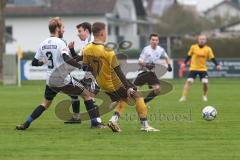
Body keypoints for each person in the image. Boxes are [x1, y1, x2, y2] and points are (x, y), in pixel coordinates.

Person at [16, 17, 104, 130]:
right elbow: (66, 57)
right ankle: (95, 123)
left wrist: (43, 61)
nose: (64, 30)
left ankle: (26, 123)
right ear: (57, 28)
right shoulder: (61, 42)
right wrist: (80, 66)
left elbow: (34, 62)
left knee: (45, 104)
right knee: (87, 94)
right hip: (62, 78)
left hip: (50, 80)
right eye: (62, 28)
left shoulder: (43, 43)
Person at [83, 22, 160, 132]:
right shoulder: (108, 51)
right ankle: (145, 126)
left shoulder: (86, 49)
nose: (106, 34)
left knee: (124, 99)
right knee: (138, 96)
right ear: (101, 33)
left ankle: (114, 120)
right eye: (106, 32)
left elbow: (85, 68)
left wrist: (92, 82)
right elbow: (118, 71)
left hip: (101, 83)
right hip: (114, 82)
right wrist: (128, 86)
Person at [64, 22, 103, 125]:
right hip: (88, 75)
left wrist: (70, 53)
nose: (78, 34)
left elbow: (81, 61)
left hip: (95, 76)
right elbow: (80, 60)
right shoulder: (87, 43)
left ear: (86, 31)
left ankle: (97, 122)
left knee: (90, 97)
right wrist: (72, 50)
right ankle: (77, 118)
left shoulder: (91, 43)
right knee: (74, 92)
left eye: (80, 31)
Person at [179, 35, 221, 102]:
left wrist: (217, 64)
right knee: (189, 81)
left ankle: (204, 96)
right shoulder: (193, 47)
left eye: (203, 39)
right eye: (200, 39)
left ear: (205, 41)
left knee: (205, 83)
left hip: (203, 69)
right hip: (193, 68)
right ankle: (183, 97)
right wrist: (184, 63)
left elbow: (212, 58)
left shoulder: (208, 49)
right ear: (198, 40)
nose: (202, 40)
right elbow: (189, 56)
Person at [134, 33, 172, 103]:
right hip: (143, 72)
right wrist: (147, 65)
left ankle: (144, 102)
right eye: (153, 40)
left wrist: (169, 65)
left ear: (158, 41)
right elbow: (140, 61)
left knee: (157, 89)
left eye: (156, 40)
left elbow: (166, 57)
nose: (154, 41)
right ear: (150, 41)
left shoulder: (160, 49)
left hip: (151, 73)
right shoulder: (146, 49)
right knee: (132, 90)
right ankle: (118, 100)